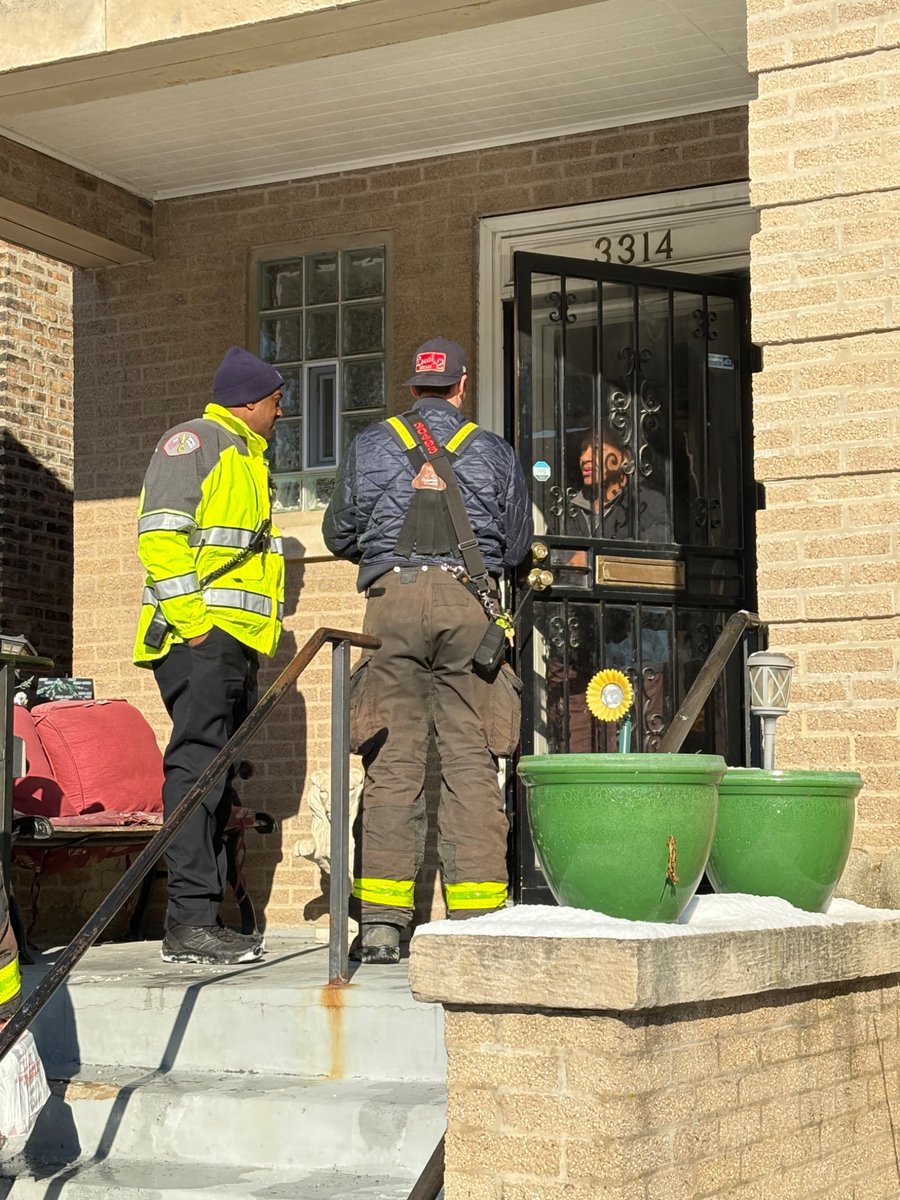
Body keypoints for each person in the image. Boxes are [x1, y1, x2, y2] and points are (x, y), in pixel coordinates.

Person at [323, 337, 532, 964]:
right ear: (462, 387)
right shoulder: (493, 451)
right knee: (471, 760)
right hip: (471, 609)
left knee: (392, 762)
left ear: (413, 388)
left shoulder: (370, 444)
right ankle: (476, 916)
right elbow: (518, 547)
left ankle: (383, 926)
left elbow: (338, 533)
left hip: (391, 605)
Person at [133, 346, 285, 965]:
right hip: (203, 639)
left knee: (216, 779)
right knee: (197, 769)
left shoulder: (248, 458)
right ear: (249, 401)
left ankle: (204, 920)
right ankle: (188, 923)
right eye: (276, 402)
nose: (280, 413)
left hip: (232, 643)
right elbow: (160, 541)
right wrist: (196, 627)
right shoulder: (195, 443)